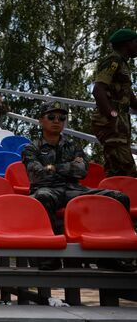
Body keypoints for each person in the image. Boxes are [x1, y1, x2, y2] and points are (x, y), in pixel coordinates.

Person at [22, 101, 133, 271]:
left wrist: (54, 168)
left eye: (62, 117)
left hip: (73, 189)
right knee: (43, 198)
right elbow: (36, 174)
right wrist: (69, 167)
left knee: (118, 198)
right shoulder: (31, 148)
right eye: (51, 116)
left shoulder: (73, 146)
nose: (57, 120)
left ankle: (110, 256)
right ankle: (49, 255)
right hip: (46, 189)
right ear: (41, 121)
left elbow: (81, 171)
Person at [91, 28, 137, 177]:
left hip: (120, 121)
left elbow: (128, 95)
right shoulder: (114, 60)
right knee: (127, 169)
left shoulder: (123, 64)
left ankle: (114, 198)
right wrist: (113, 115)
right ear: (127, 44)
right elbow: (98, 90)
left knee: (116, 169)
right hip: (110, 121)